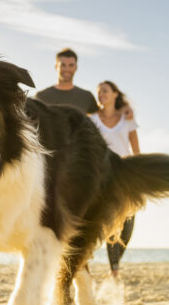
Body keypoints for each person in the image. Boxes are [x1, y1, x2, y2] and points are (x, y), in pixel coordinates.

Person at [90, 80, 140, 278]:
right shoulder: (92, 118)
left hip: (126, 175)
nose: (101, 95)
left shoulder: (127, 118)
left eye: (105, 91)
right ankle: (114, 271)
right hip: (103, 175)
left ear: (115, 95)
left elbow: (136, 150)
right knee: (112, 220)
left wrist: (138, 174)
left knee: (128, 223)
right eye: (99, 92)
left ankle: (115, 263)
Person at [34, 48, 98, 114]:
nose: (67, 69)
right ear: (56, 67)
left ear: (76, 67)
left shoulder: (87, 97)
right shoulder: (41, 97)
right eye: (63, 65)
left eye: (71, 65)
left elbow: (101, 120)